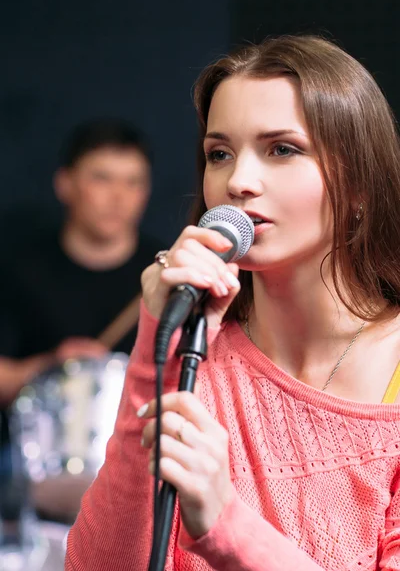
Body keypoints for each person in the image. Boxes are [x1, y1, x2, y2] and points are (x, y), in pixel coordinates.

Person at [65, 35, 400, 571]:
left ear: (358, 180)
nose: (238, 181)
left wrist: (223, 522)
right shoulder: (195, 354)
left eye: (282, 149)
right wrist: (159, 343)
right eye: (219, 154)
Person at [0, 118, 163, 406]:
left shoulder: (167, 272)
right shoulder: (20, 269)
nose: (118, 197)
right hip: (36, 443)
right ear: (65, 184)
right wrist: (50, 367)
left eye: (133, 182)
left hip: (142, 440)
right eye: (102, 178)